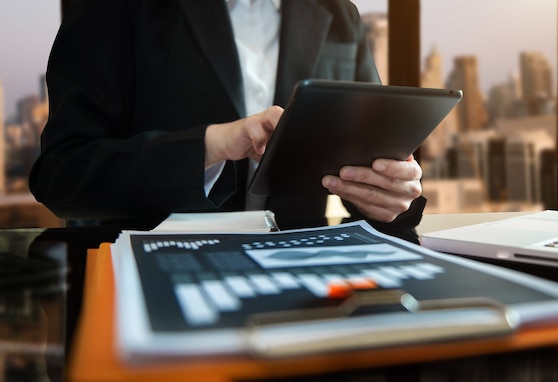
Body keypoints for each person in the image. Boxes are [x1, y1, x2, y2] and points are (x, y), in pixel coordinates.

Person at [29, 0, 427, 242]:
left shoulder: (340, 15)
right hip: (152, 277)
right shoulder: (110, 7)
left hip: (305, 289)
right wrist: (210, 146)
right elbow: (62, 175)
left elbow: (374, 170)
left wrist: (392, 197)